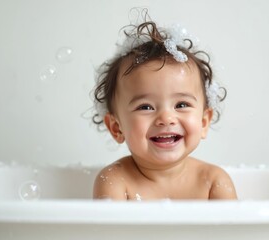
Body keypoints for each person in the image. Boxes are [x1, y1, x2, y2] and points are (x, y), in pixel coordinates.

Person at [91, 15, 237, 200]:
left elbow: (232, 229)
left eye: (181, 105)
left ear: (203, 121)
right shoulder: (115, 181)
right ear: (116, 127)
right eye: (145, 107)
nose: (166, 118)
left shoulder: (214, 181)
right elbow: (109, 229)